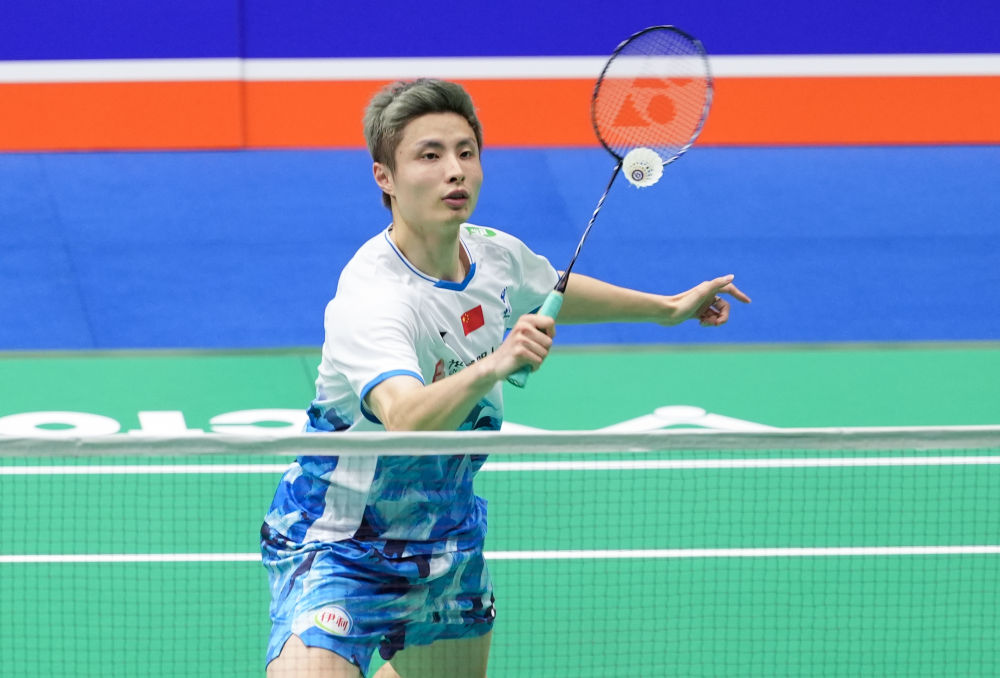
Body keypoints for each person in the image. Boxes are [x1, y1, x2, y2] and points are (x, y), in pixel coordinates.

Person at [262, 78, 750, 678]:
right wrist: (494, 363)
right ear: (384, 176)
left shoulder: (493, 254)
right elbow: (403, 416)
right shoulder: (373, 298)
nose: (455, 171)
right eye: (429, 155)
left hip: (446, 537)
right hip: (341, 543)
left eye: (466, 152)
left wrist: (667, 308)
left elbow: (551, 290)